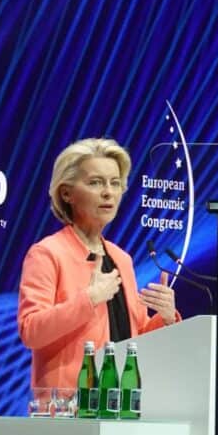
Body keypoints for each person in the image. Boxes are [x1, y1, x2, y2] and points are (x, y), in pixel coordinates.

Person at [18, 137, 180, 388]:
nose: (108, 192)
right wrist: (89, 299)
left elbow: (134, 338)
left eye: (115, 183)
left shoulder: (121, 259)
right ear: (66, 193)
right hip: (68, 408)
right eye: (95, 182)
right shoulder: (47, 253)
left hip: (122, 401)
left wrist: (166, 318)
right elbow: (31, 331)